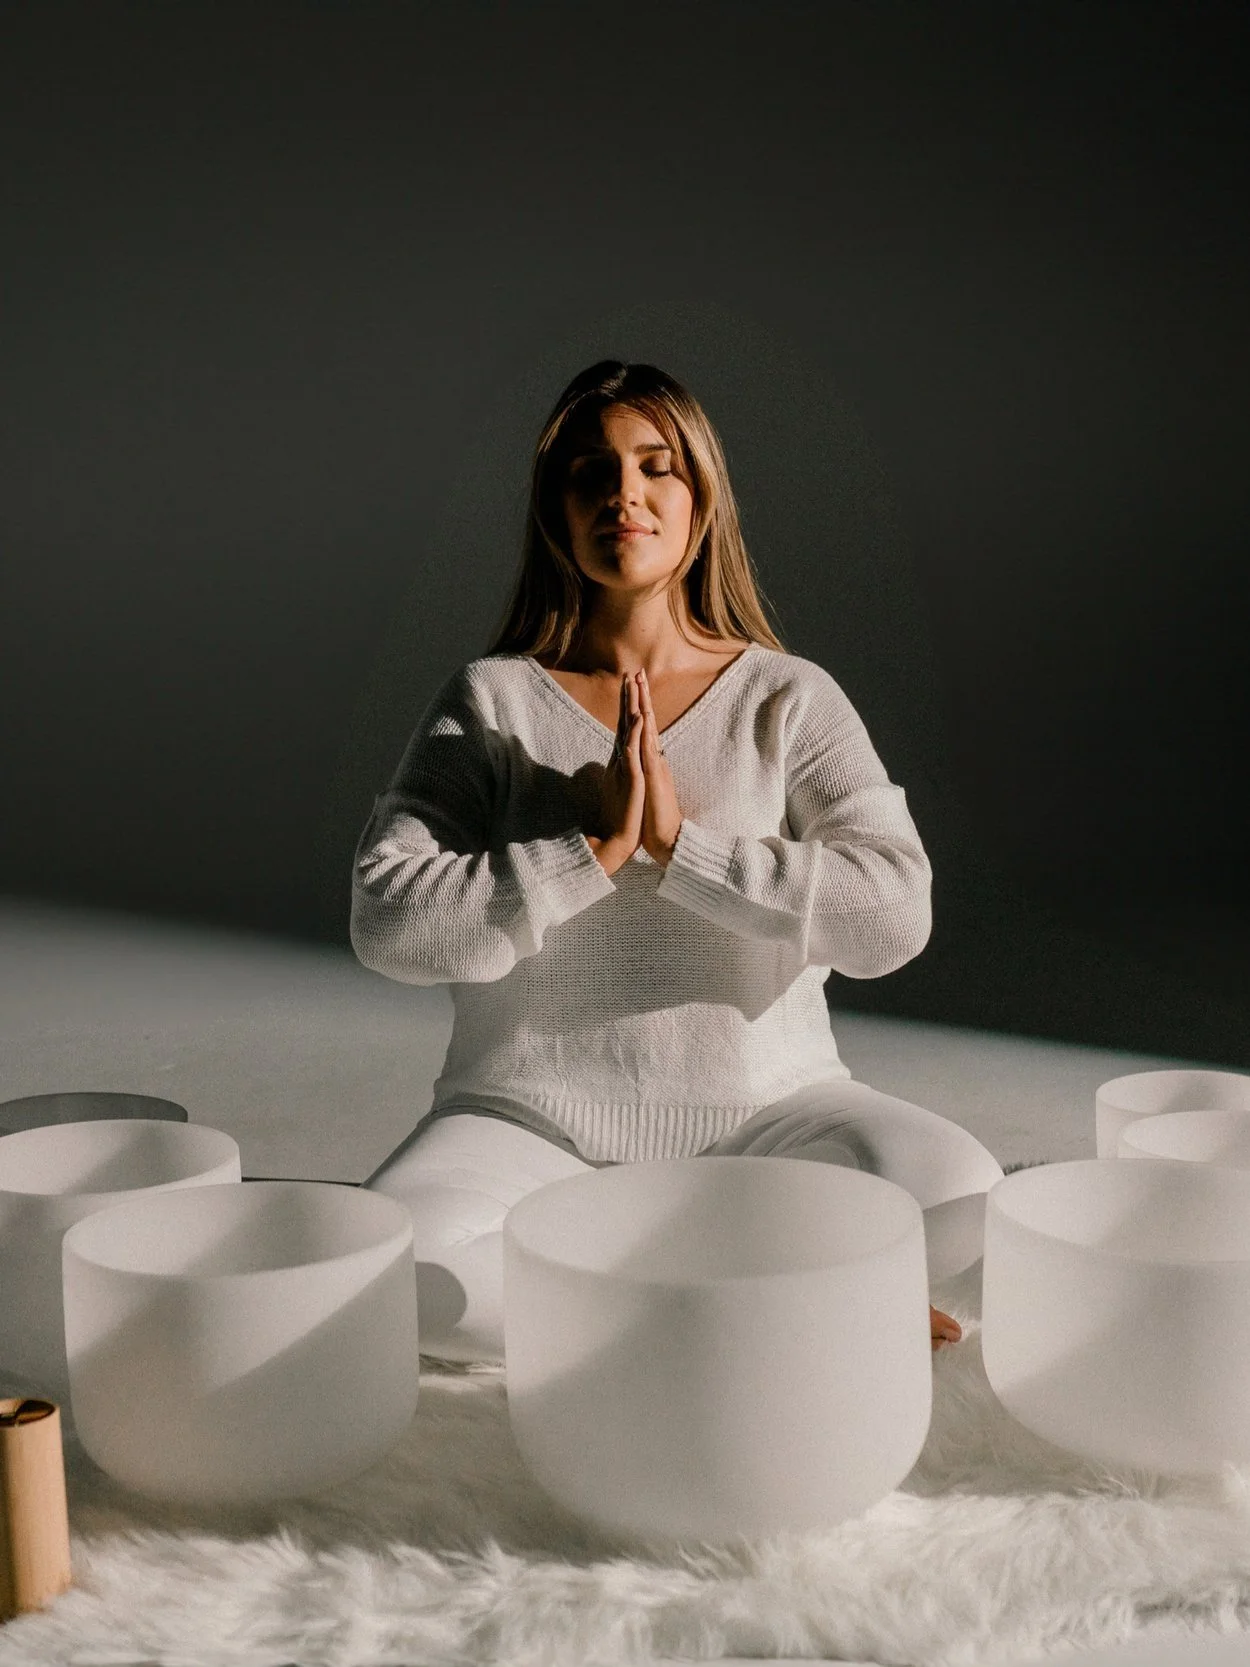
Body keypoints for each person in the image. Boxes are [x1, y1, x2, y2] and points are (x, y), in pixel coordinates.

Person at [350, 359, 1003, 1366]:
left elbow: (893, 914)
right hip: (528, 1120)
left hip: (771, 1115)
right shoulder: (491, 697)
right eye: (590, 472)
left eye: (656, 466)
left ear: (699, 497)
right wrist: (590, 851)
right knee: (392, 1274)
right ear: (555, 508)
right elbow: (386, 920)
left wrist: (682, 849)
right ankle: (774, 1302)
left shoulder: (786, 695)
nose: (624, 493)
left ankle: (631, 1303)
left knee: (966, 1200)